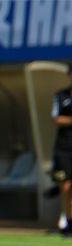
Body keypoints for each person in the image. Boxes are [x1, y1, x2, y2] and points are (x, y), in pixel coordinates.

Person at [51, 65, 72, 236]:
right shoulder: (61, 96)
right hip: (64, 148)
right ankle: (66, 218)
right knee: (65, 185)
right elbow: (57, 118)